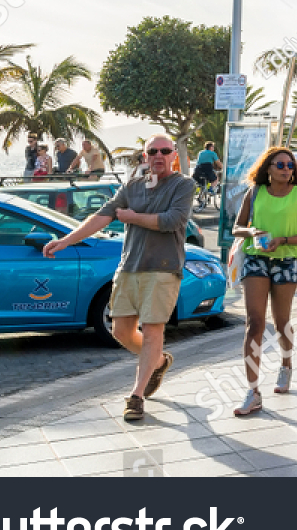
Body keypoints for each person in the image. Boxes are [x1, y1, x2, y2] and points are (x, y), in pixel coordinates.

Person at [43, 134, 193, 422]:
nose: (158, 155)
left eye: (165, 151)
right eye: (153, 151)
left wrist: (132, 217)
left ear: (174, 155)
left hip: (163, 267)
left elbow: (171, 221)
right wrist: (67, 241)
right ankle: (159, 361)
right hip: (129, 267)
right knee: (121, 332)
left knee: (152, 331)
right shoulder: (133, 186)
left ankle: (136, 397)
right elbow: (103, 216)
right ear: (145, 155)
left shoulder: (183, 185)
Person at [229, 148, 297, 416]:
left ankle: (286, 365)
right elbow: (236, 227)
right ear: (268, 168)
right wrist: (251, 231)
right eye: (280, 164)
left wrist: (284, 240)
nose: (286, 168)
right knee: (254, 323)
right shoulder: (255, 192)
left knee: (281, 322)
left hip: (287, 261)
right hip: (256, 259)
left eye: (290, 165)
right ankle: (253, 391)